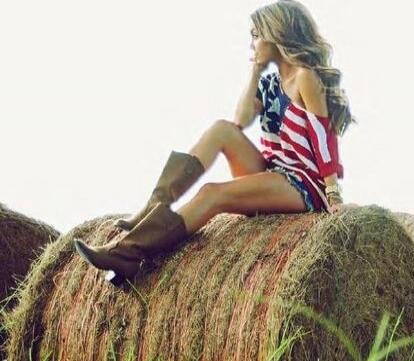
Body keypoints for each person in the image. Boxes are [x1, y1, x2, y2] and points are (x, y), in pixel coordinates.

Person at [74, 0, 357, 289]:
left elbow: (324, 138)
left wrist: (333, 194)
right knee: (221, 129)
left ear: (276, 34)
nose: (252, 43)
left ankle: (128, 253)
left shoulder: (305, 77)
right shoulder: (270, 83)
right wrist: (255, 71)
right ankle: (153, 207)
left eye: (256, 35)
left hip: (302, 184)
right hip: (273, 172)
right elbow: (240, 119)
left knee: (212, 194)